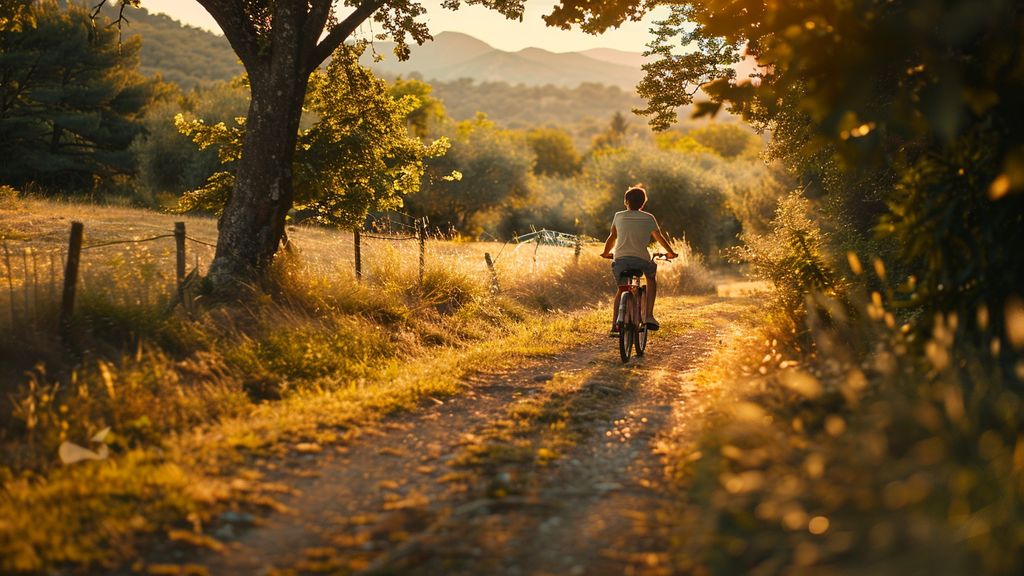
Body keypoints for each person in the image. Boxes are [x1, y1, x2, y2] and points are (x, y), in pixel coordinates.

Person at [600, 185, 678, 337]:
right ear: (643, 203)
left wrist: (605, 253)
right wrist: (671, 252)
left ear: (625, 202)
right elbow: (659, 238)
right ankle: (648, 315)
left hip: (620, 260)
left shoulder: (618, 216)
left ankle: (615, 323)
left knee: (622, 289)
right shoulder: (649, 218)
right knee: (651, 279)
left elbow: (612, 237)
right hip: (641, 260)